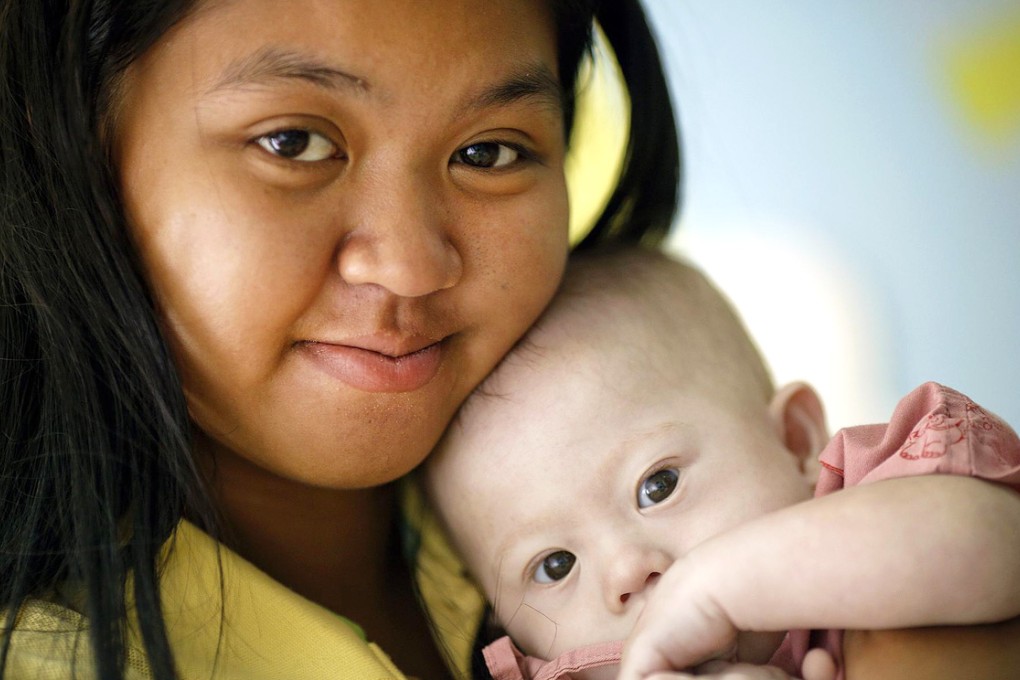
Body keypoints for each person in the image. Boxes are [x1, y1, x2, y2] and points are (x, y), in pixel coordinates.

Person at [0, 2, 681, 678]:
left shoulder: (681, 515)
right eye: (294, 143)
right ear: (72, 149)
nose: (410, 268)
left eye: (488, 152)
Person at [423, 246, 1020, 680]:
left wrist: (720, 588)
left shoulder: (883, 501)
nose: (628, 571)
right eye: (554, 565)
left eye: (657, 485)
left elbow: (1001, 546)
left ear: (795, 439)